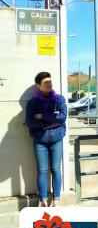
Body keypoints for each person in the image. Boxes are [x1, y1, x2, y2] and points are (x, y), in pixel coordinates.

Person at [25, 72, 67, 207]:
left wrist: (42, 116)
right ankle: (42, 199)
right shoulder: (32, 103)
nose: (49, 84)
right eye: (46, 82)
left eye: (50, 81)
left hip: (57, 139)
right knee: (42, 170)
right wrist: (51, 121)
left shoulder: (59, 99)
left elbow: (62, 117)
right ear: (38, 85)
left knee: (55, 169)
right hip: (40, 140)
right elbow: (30, 122)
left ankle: (57, 198)